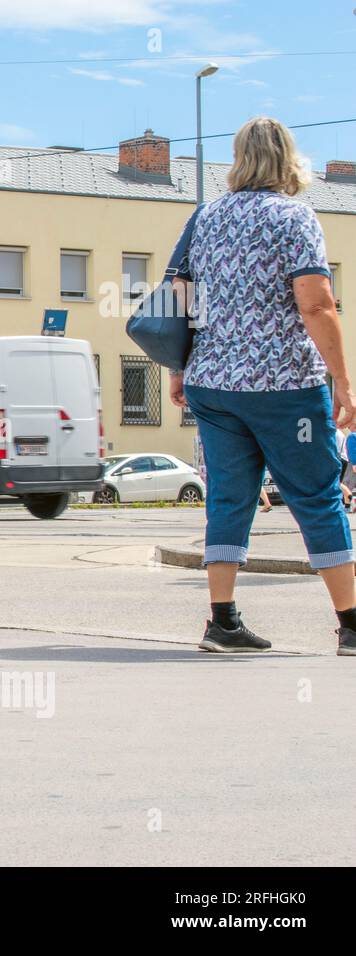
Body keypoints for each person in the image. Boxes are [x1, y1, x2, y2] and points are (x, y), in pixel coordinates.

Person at [171, 116, 356, 656]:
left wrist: (181, 368)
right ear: (288, 159)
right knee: (317, 496)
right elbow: (317, 303)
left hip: (213, 383)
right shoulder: (294, 218)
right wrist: (343, 381)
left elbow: (177, 295)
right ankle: (350, 624)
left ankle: (223, 621)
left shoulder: (204, 217)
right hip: (284, 387)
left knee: (230, 497)